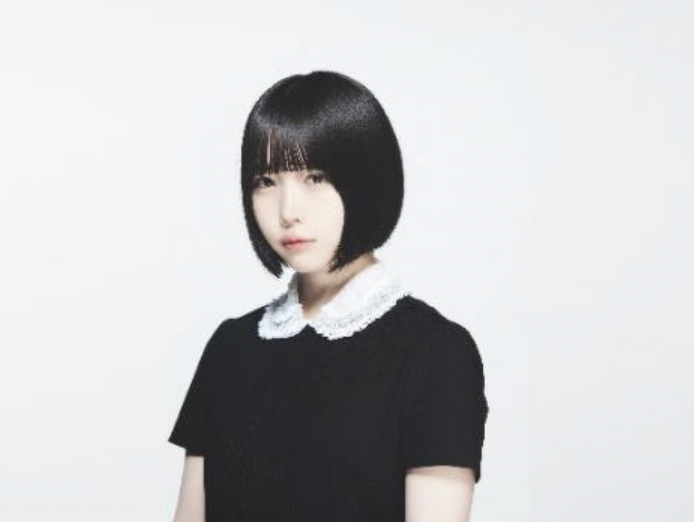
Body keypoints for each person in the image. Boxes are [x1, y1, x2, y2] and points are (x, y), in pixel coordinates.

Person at [168, 70, 489, 522]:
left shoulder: (435, 352)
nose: (288, 211)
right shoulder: (230, 347)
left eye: (315, 177)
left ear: (368, 178)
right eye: (265, 181)